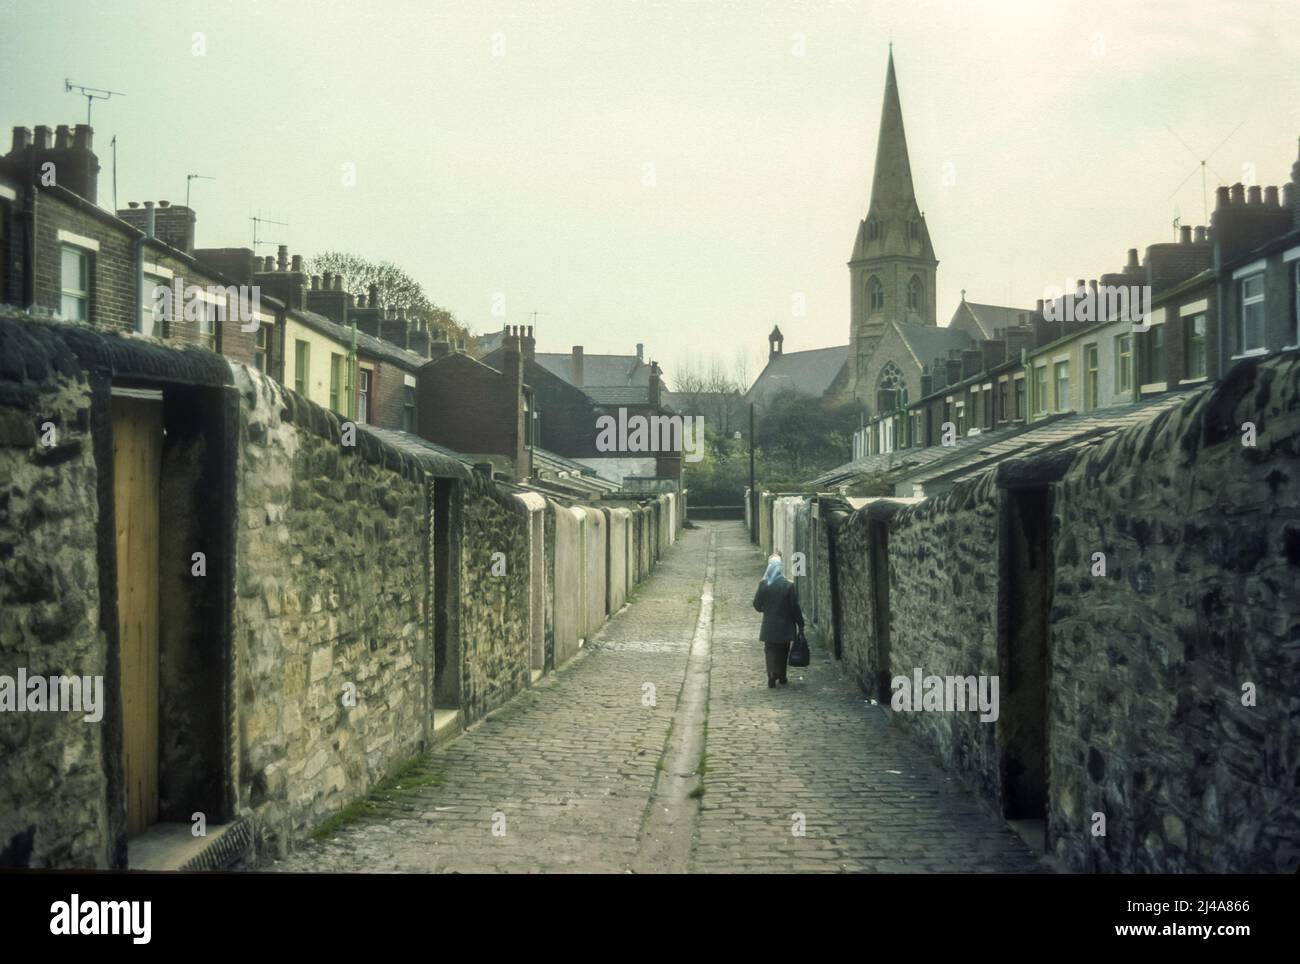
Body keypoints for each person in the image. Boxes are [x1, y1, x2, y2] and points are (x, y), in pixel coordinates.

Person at [752, 553, 804, 688]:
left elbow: (756, 604)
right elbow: (794, 607)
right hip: (785, 625)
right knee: (783, 650)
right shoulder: (788, 585)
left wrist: (766, 610)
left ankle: (771, 674)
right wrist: (800, 623)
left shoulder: (764, 584)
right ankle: (781, 675)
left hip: (769, 625)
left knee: (770, 650)